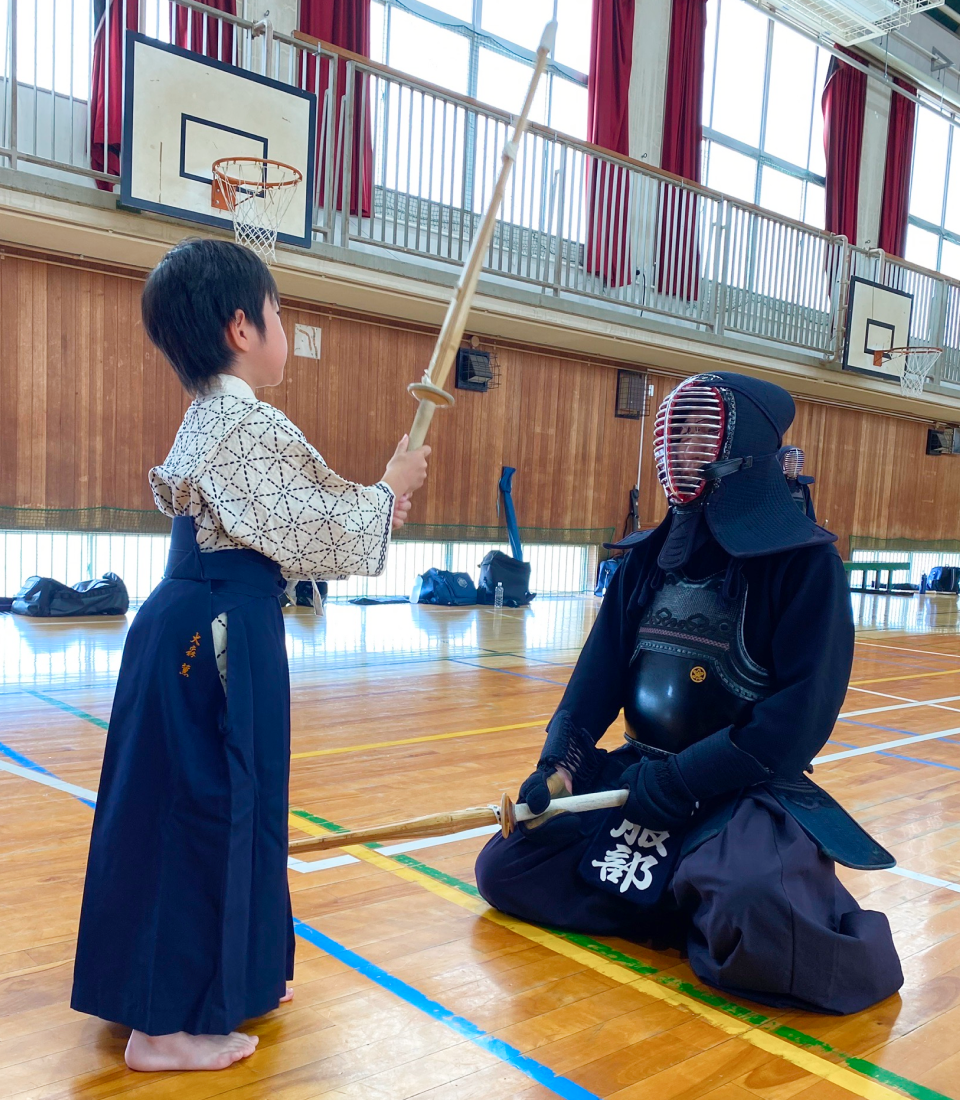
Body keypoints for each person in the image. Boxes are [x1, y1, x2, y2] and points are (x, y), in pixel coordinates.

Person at [71, 239, 430, 1071]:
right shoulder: (245, 421)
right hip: (218, 630)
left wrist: (376, 503)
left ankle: (236, 976)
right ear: (241, 327)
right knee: (204, 806)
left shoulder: (219, 416)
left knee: (235, 798)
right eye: (276, 312)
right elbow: (322, 527)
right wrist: (389, 489)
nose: (282, 327)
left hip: (206, 622)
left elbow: (296, 522)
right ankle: (164, 1026)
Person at [476, 371, 903, 1015]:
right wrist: (558, 769)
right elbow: (595, 680)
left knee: (759, 913)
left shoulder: (807, 565)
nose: (680, 447)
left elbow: (797, 722)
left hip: (742, 788)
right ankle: (687, 903)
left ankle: (700, 897)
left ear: (748, 446)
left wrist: (685, 782)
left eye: (701, 430)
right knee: (507, 867)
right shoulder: (645, 560)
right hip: (641, 775)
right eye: (673, 432)